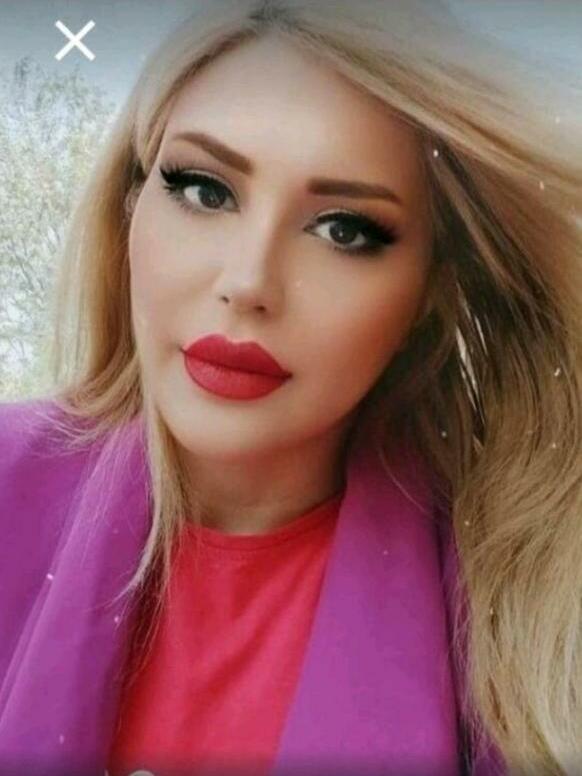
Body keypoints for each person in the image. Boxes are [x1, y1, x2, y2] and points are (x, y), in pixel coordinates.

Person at [1, 0, 581, 774]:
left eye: (344, 229)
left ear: (430, 292)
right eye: (205, 190)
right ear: (131, 203)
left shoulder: (531, 609)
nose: (249, 283)